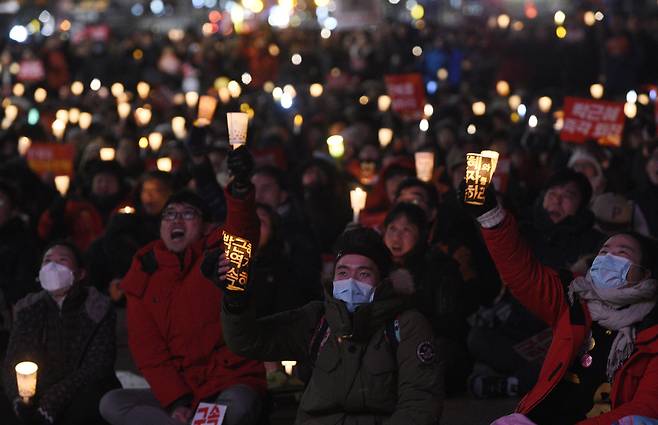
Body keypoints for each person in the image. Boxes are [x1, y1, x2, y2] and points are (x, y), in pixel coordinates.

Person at [463, 185, 658, 424]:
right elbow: (523, 275)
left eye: (622, 253)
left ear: (645, 274)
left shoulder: (652, 331)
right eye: (604, 251)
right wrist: (490, 216)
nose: (608, 258)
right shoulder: (574, 298)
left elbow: (646, 408)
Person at [99, 146, 266, 425]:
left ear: (205, 226)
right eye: (169, 214)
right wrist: (177, 402)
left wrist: (240, 190)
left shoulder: (218, 253)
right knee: (112, 403)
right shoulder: (144, 270)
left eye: (188, 214)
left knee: (238, 406)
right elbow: (148, 350)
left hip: (228, 381)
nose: (176, 219)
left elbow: (243, 232)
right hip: (180, 392)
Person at [220, 227, 444, 425]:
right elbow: (248, 341)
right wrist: (235, 300)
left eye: (364, 274)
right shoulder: (317, 319)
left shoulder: (405, 325)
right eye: (343, 272)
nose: (351, 282)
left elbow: (419, 403)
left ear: (383, 281)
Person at [1, 241, 118, 425]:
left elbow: (97, 367)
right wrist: (19, 399)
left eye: (62, 260)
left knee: (91, 402)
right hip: (40, 386)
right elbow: (13, 360)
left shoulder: (97, 309)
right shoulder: (28, 309)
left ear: (80, 273)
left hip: (79, 390)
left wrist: (53, 400)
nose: (53, 267)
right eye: (47, 261)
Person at [382, 202, 471, 393]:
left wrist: (409, 298)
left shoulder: (440, 267)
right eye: (392, 229)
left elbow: (450, 324)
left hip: (429, 342)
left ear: (422, 234)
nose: (397, 237)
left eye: (407, 230)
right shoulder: (378, 267)